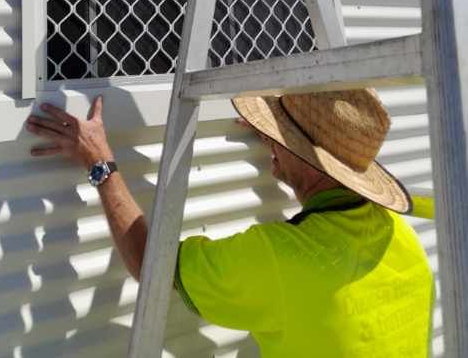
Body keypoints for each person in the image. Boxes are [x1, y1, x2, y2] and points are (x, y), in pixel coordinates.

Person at [26, 87, 434, 357]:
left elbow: (153, 266)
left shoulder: (282, 258)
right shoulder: (400, 237)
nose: (270, 140)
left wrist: (100, 163)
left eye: (280, 137)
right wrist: (288, 148)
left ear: (308, 158)